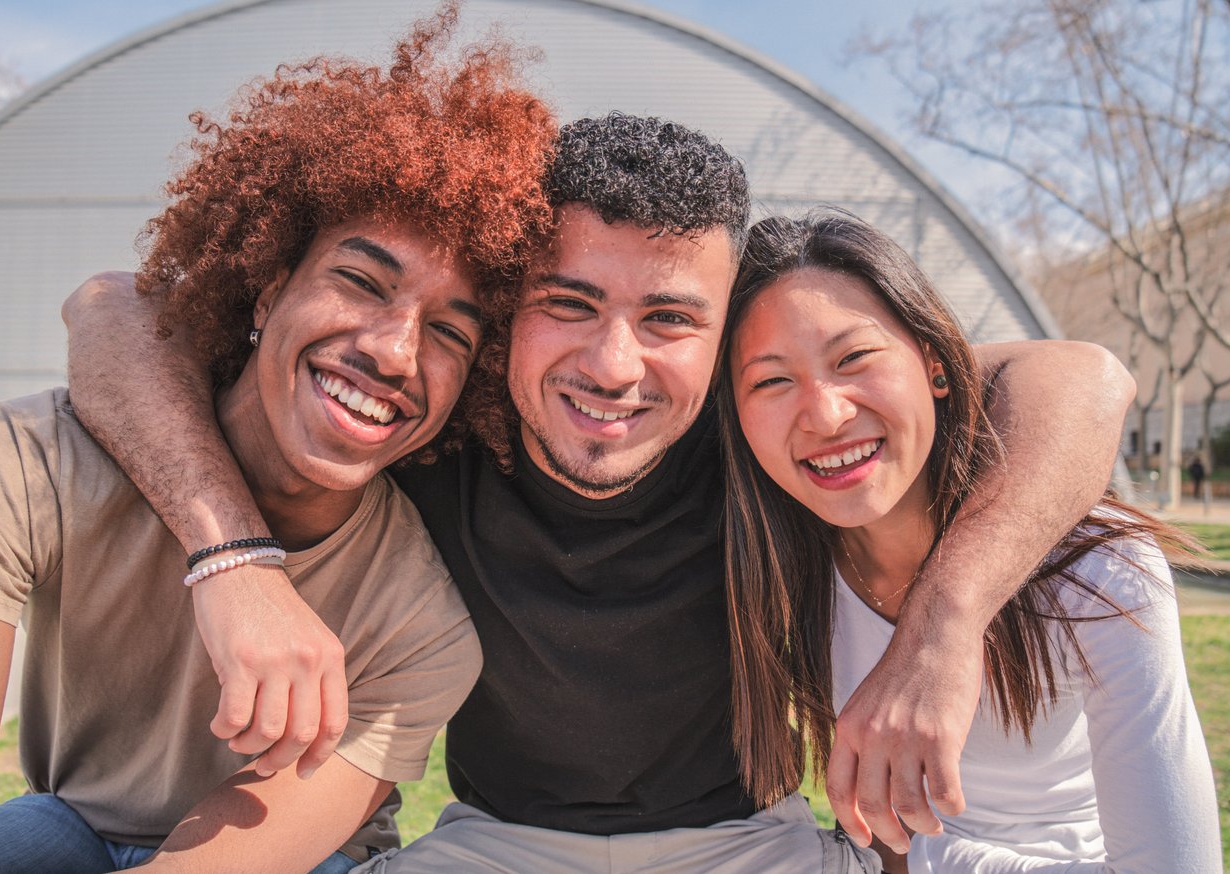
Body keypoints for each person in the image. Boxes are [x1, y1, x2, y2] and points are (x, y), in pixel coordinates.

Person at [62, 113, 1137, 871]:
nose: (615, 365)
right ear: (510, 305)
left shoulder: (765, 430)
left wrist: (939, 635)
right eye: (568, 302)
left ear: (726, 335)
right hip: (490, 844)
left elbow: (1082, 380)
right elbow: (110, 308)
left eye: (669, 319)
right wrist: (231, 557)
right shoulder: (436, 425)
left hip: (748, 845)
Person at [0, 11, 556, 873]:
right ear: (265, 289)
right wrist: (233, 561)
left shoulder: (424, 630)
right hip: (66, 823)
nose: (394, 351)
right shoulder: (18, 463)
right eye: (360, 281)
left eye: (450, 332)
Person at [720, 210, 1221, 872]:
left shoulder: (1099, 566)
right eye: (772, 380)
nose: (826, 414)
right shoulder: (782, 566)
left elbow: (1176, 865)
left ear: (935, 365)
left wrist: (942, 632)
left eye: (855, 357)